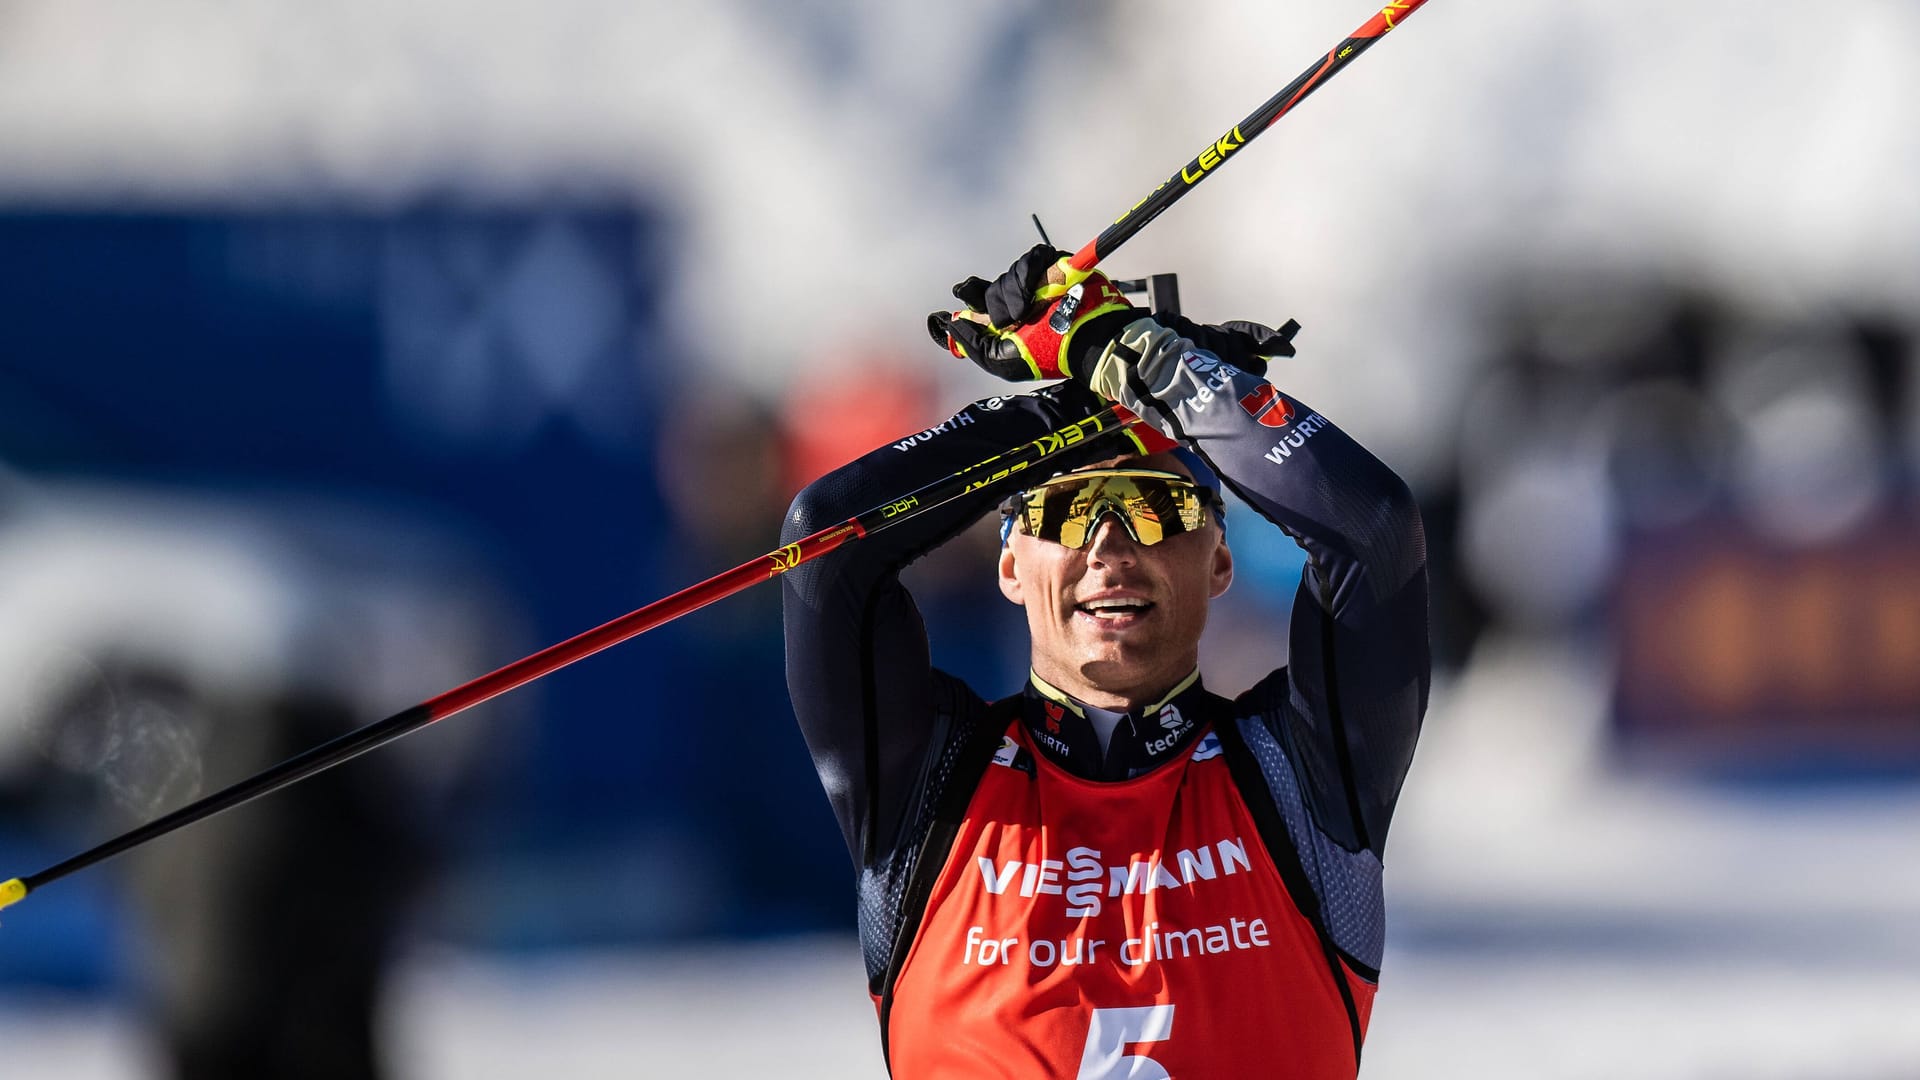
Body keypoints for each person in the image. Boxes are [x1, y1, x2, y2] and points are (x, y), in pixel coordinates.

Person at [781, 245, 1429, 1078]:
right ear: (1011, 565)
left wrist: (1136, 358)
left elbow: (1371, 531)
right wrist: (1083, 391)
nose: (1111, 546)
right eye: (1067, 510)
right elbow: (829, 543)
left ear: (1220, 561)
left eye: (1159, 507)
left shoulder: (1301, 779)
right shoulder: (929, 785)